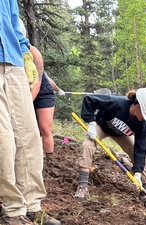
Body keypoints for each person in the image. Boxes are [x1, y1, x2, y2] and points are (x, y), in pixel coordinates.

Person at [0, 1, 61, 225]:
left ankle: (32, 205)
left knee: (29, 135)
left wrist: (25, 52)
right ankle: (13, 211)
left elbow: (13, 21)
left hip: (14, 59)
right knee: (4, 139)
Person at [74, 87, 146, 204]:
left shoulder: (142, 125)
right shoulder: (117, 102)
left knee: (142, 158)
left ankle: (144, 190)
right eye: (145, 114)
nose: (145, 118)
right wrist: (91, 123)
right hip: (101, 127)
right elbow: (89, 100)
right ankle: (82, 186)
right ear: (138, 107)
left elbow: (141, 148)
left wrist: (138, 174)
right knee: (88, 145)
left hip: (122, 134)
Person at [19, 19, 65, 165]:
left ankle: (50, 161)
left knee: (45, 128)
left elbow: (41, 82)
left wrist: (57, 90)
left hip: (42, 92)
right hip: (25, 92)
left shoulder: (33, 53)